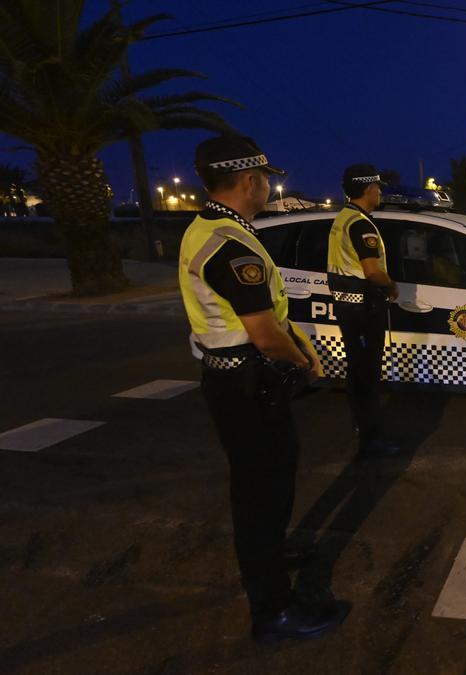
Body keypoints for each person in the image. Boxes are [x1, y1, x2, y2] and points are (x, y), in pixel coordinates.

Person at [179, 135, 350, 644]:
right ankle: (273, 610)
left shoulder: (211, 228)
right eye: (266, 179)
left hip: (235, 377)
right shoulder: (230, 245)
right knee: (261, 491)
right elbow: (262, 331)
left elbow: (269, 315)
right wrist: (302, 362)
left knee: (267, 481)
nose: (269, 186)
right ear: (250, 180)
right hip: (245, 380)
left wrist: (300, 346)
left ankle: (270, 555)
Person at [327, 163, 400, 457]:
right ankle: (371, 441)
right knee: (368, 376)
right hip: (363, 309)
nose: (380, 192)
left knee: (357, 374)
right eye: (378, 188)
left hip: (349, 308)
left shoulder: (343, 218)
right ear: (368, 189)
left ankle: (360, 425)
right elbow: (372, 271)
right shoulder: (360, 224)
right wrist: (391, 285)